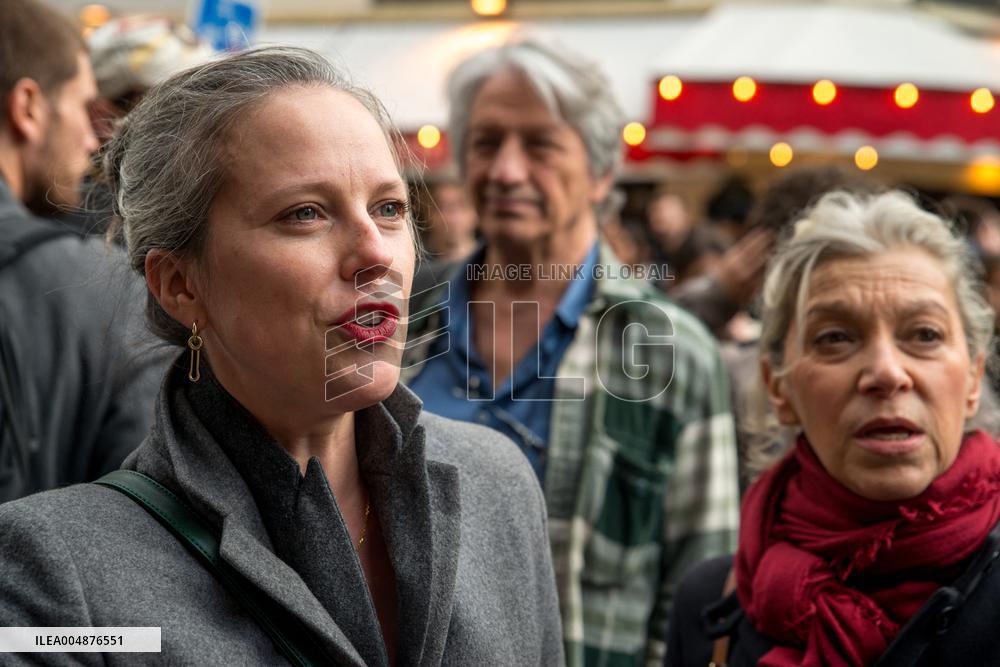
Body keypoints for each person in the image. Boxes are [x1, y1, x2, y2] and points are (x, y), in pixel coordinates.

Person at [0, 46, 563, 666]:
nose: (376, 253)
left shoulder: (497, 485)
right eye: (305, 214)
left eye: (389, 208)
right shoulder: (58, 578)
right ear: (180, 284)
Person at [402, 38, 740, 665]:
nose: (506, 171)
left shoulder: (672, 353)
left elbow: (699, 600)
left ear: (602, 171)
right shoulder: (401, 324)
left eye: (540, 145)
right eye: (486, 143)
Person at [667, 190, 1000, 666]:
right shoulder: (711, 604)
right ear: (778, 386)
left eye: (924, 335)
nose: (886, 372)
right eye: (835, 338)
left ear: (972, 377)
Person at [0, 0, 163, 501]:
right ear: (28, 107)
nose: (93, 141)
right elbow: (143, 515)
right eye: (81, 106)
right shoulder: (101, 289)